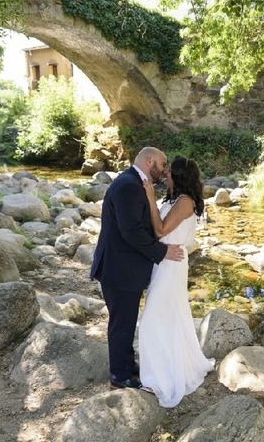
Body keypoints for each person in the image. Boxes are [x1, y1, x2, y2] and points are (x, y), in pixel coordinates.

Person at [90, 147, 185, 390]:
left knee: (126, 320)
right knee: (122, 323)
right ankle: (120, 376)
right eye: (162, 165)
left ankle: (126, 364)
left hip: (124, 267)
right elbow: (131, 231)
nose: (164, 171)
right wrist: (163, 252)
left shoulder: (134, 183)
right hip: (119, 269)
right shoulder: (128, 185)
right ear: (149, 161)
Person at [138, 155, 215, 407]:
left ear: (179, 176)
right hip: (163, 263)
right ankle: (167, 366)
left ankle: (157, 377)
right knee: (168, 317)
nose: (166, 173)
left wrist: (149, 196)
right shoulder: (173, 199)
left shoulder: (184, 202)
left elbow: (161, 230)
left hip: (172, 265)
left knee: (151, 318)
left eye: (170, 171)